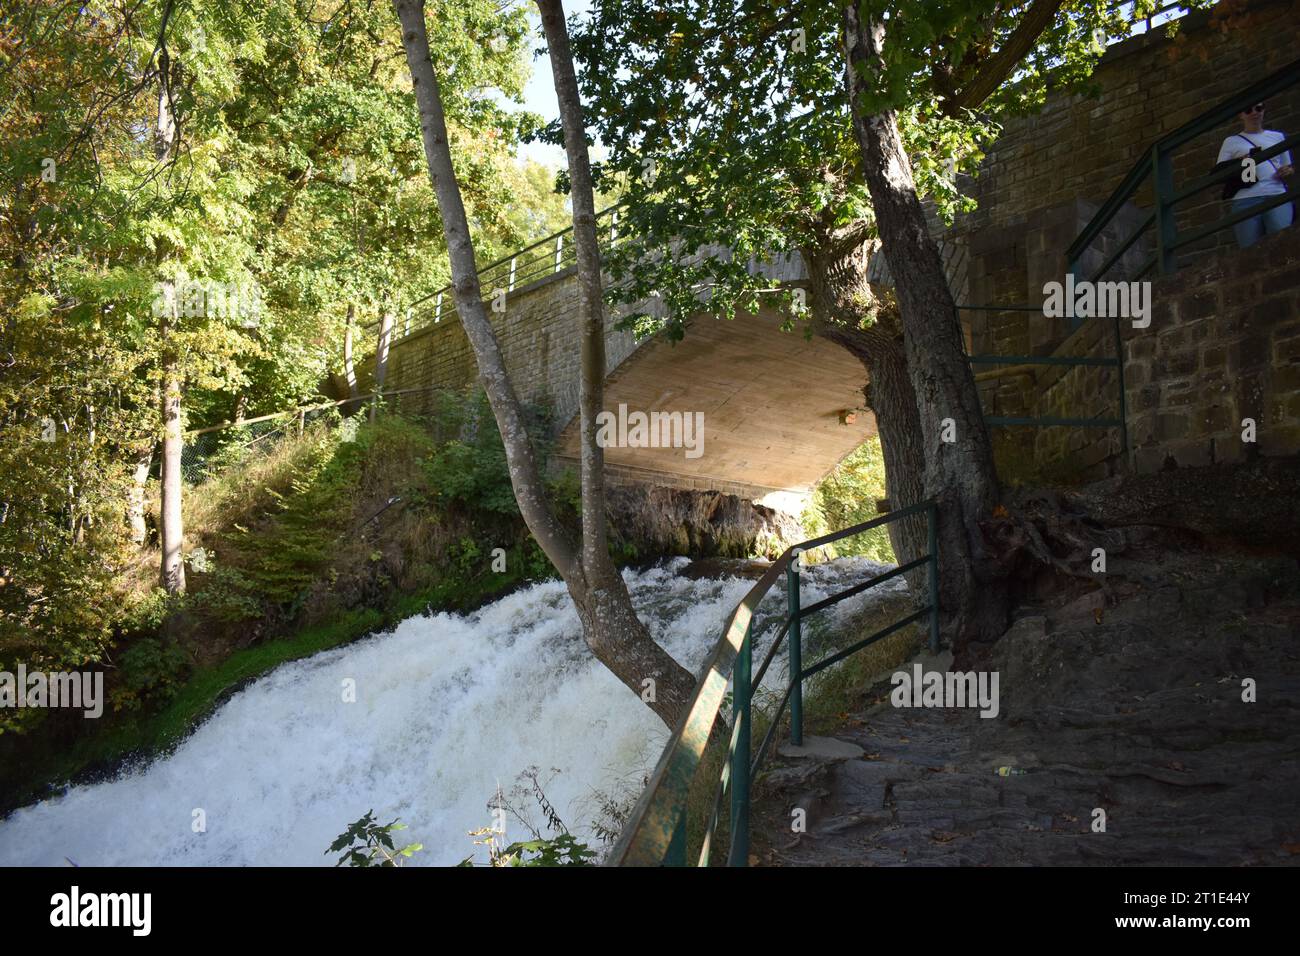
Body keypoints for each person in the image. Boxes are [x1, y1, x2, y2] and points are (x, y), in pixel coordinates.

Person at [1217, 102, 1294, 248]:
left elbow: (1287, 166)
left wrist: (1287, 171)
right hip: (1245, 197)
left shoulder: (1277, 137)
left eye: (1258, 109)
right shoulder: (1231, 141)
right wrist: (1241, 161)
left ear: (1264, 111)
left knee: (1282, 242)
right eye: (1248, 110)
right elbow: (1220, 170)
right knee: (1249, 248)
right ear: (1241, 115)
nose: (1254, 113)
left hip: (1276, 193)